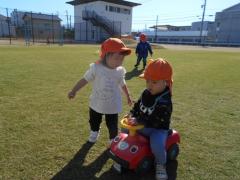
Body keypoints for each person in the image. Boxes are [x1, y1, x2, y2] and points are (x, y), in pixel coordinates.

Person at [68, 38, 133, 145]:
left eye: (122, 59)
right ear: (106, 55)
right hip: (96, 102)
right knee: (94, 120)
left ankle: (113, 139)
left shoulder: (120, 71)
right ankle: (94, 132)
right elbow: (85, 79)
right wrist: (74, 90)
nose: (120, 61)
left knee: (112, 124)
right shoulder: (96, 68)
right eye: (117, 58)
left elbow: (123, 84)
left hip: (112, 104)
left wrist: (128, 96)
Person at [127, 58, 173, 180]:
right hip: (142, 125)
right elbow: (138, 105)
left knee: (157, 143)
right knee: (126, 128)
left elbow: (158, 119)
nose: (149, 85)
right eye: (147, 81)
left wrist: (140, 121)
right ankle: (123, 149)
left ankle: (160, 163)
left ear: (165, 82)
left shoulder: (165, 100)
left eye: (154, 82)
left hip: (157, 128)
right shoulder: (146, 92)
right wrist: (132, 114)